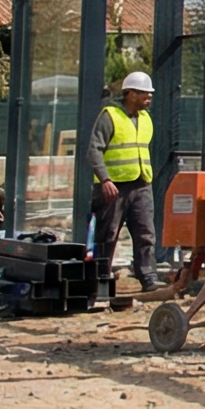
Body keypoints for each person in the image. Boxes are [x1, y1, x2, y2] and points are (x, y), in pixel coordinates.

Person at [85, 71, 160, 292]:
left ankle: (148, 277)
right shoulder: (110, 116)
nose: (149, 97)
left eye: (150, 93)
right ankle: (100, 279)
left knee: (146, 233)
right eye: (144, 93)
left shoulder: (146, 119)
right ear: (130, 94)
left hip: (141, 184)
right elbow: (94, 151)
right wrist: (105, 179)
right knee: (107, 235)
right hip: (113, 188)